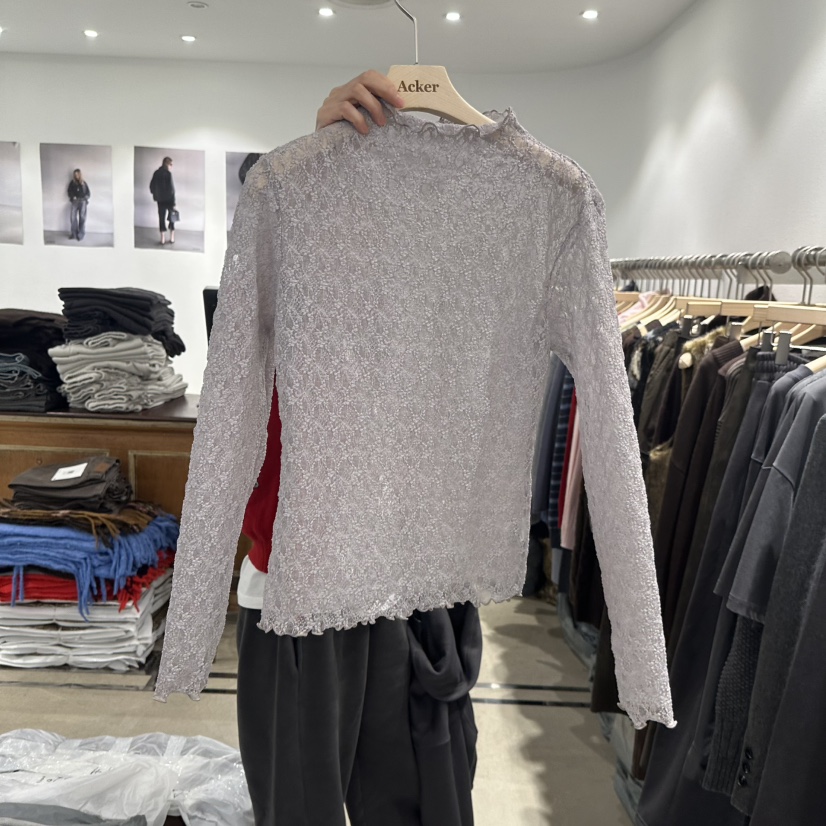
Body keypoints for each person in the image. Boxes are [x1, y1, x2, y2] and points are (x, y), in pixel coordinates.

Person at [149, 156, 176, 246]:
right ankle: (172, 238)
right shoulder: (168, 174)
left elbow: (151, 186)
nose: (172, 166)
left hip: (160, 200)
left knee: (161, 218)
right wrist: (173, 201)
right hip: (169, 200)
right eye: (171, 164)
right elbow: (171, 190)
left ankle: (162, 239)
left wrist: (156, 195)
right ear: (167, 164)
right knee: (172, 218)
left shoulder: (156, 173)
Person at [67, 169, 90, 241]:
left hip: (82, 202)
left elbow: (88, 193)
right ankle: (74, 234)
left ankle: (80, 235)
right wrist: (72, 196)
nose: (76, 176)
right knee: (73, 217)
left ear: (80, 175)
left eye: (77, 174)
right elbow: (69, 191)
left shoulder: (84, 183)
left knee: (82, 218)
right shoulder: (72, 183)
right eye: (75, 175)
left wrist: (85, 198)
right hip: (75, 202)